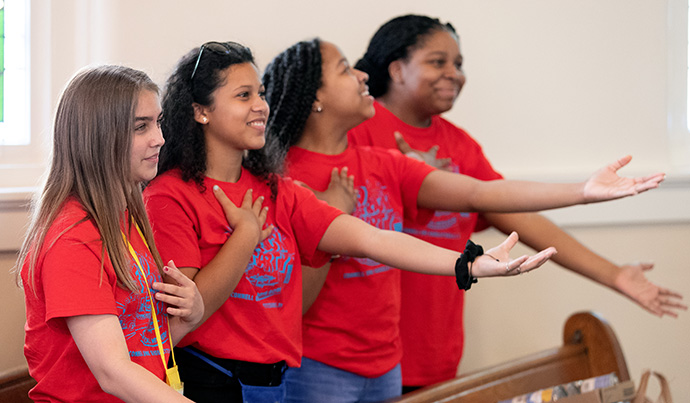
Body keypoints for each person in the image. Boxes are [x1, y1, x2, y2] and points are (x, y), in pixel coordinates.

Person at [143, 41, 572, 403]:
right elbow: (187, 314)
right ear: (201, 111)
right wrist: (246, 237)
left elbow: (372, 239)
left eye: (260, 93)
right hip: (212, 381)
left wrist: (470, 264)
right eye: (243, 96)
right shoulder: (169, 196)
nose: (261, 105)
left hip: (274, 382)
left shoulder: (276, 189)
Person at [262, 38, 670, 403]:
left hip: (386, 364)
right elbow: (290, 304)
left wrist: (581, 191)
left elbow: (483, 192)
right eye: (345, 69)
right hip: (319, 367)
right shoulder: (285, 178)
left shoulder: (384, 163)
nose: (361, 73)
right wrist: (330, 225)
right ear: (315, 96)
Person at [349, 14, 688, 391]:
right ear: (397, 69)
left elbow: (520, 217)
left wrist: (615, 274)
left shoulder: (459, 144)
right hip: (358, 355)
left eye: (459, 64)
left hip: (434, 351)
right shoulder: (357, 129)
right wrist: (414, 177)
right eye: (437, 61)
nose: (454, 74)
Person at [14, 65, 206, 402]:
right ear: (98, 138)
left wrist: (190, 317)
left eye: (158, 122)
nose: (159, 138)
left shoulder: (124, 217)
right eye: (140, 127)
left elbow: (140, 343)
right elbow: (112, 371)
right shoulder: (73, 238)